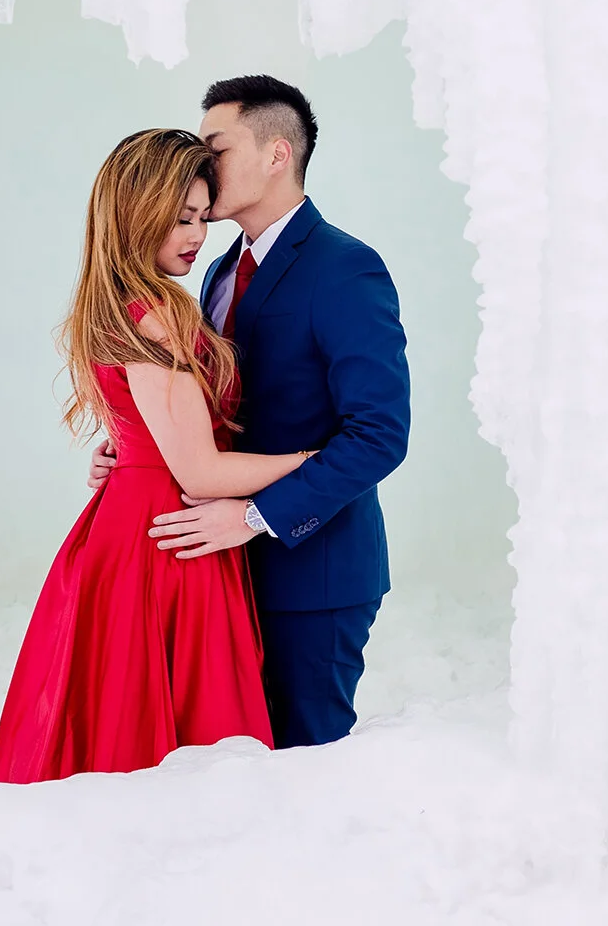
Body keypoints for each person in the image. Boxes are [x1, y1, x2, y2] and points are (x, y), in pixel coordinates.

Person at [91, 75, 412, 749]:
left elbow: (379, 435)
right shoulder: (215, 271)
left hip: (311, 572)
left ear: (276, 155)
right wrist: (138, 447)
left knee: (302, 762)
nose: (203, 164)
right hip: (216, 573)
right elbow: (205, 406)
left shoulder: (346, 268)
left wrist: (254, 517)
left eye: (217, 148)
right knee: (227, 768)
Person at [0, 128, 313, 781]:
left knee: (124, 721)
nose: (197, 235)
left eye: (203, 217)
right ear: (137, 215)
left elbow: (149, 431)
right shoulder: (158, 315)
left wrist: (129, 452)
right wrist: (311, 461)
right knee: (182, 739)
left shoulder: (116, 305)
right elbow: (201, 472)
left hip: (136, 523)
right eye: (180, 218)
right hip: (169, 535)